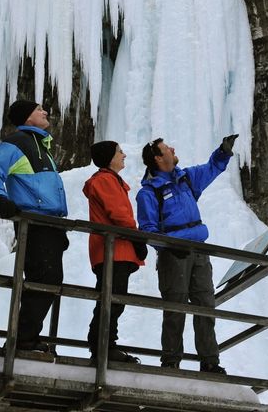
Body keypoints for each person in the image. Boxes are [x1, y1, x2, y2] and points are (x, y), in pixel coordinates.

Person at [136, 134, 238, 374]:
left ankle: (210, 361)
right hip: (173, 257)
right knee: (175, 308)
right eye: (167, 148)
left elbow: (211, 169)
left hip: (200, 252)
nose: (173, 148)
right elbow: (147, 230)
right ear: (159, 158)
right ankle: (171, 361)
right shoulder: (149, 193)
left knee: (206, 306)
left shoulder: (186, 178)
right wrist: (169, 247)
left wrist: (223, 152)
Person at [0, 99, 69, 353]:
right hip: (35, 223)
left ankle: (26, 337)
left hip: (49, 224)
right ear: (27, 118)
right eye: (39, 109)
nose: (45, 112)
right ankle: (23, 340)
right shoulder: (18, 143)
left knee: (48, 280)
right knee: (44, 279)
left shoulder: (41, 147)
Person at [83, 140, 147, 363]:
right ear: (110, 158)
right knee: (112, 299)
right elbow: (119, 214)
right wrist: (136, 237)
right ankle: (104, 346)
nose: (124, 155)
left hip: (115, 249)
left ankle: (104, 344)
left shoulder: (109, 180)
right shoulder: (106, 180)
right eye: (120, 152)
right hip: (114, 249)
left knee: (113, 298)